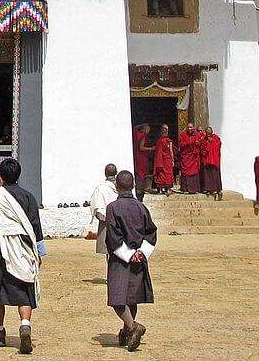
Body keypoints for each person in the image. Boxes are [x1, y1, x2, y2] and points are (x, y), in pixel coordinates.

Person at [0, 157, 43, 355]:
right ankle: (25, 325)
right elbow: (35, 227)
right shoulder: (29, 197)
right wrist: (39, 252)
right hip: (23, 248)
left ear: (0, 176)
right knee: (24, 287)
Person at [104, 170, 157, 351]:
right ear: (133, 186)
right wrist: (140, 253)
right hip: (139, 259)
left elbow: (112, 236)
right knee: (131, 298)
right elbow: (151, 232)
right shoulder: (141, 207)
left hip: (121, 260)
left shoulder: (112, 208)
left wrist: (127, 254)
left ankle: (134, 327)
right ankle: (126, 332)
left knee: (118, 299)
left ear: (116, 187)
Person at [89, 163, 119, 257]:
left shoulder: (100, 188)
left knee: (109, 254)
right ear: (116, 173)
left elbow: (97, 210)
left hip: (107, 224)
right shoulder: (123, 186)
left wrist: (108, 218)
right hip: (122, 223)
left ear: (105, 173)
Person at [177, 123, 204, 195]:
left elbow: (201, 143)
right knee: (185, 172)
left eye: (191, 127)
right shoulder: (182, 135)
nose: (190, 129)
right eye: (188, 127)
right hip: (186, 156)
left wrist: (198, 143)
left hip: (193, 157)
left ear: (193, 128)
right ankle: (185, 188)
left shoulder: (197, 134)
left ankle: (194, 189)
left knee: (194, 172)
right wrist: (190, 143)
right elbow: (180, 144)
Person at [131, 124, 153, 200]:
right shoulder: (143, 135)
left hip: (137, 156)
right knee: (142, 173)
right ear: (146, 129)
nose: (149, 131)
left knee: (139, 172)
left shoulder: (137, 134)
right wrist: (151, 148)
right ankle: (141, 189)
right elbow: (141, 147)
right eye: (148, 129)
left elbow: (134, 128)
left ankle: (139, 189)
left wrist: (140, 126)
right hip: (142, 157)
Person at [152, 126, 175, 195]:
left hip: (159, 160)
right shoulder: (169, 141)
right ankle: (167, 189)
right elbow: (171, 151)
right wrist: (172, 160)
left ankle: (160, 190)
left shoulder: (158, 141)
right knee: (167, 174)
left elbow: (157, 152)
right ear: (167, 133)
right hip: (167, 160)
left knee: (160, 174)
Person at [202, 127, 223, 200]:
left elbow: (218, 146)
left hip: (214, 161)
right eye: (207, 133)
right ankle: (208, 189)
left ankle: (218, 190)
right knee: (208, 176)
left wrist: (211, 141)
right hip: (207, 160)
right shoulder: (204, 139)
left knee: (215, 176)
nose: (208, 134)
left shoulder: (216, 138)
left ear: (212, 132)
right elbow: (202, 148)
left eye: (209, 132)